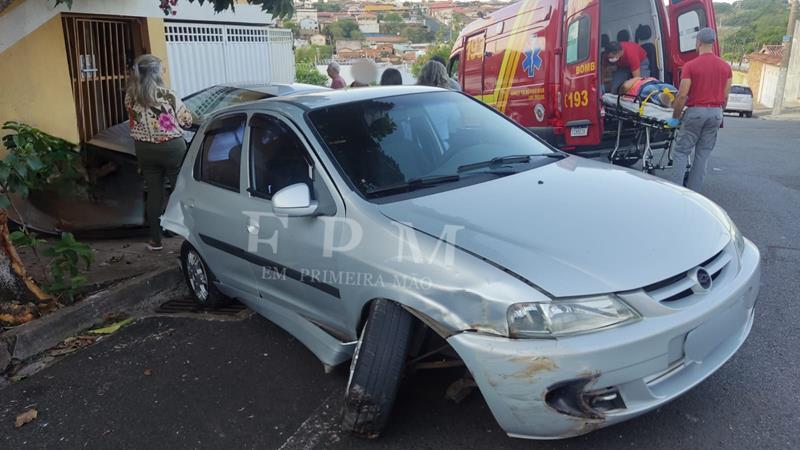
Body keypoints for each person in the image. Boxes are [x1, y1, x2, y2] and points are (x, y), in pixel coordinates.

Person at [125, 54, 192, 251]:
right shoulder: (168, 95)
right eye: (162, 68)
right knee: (181, 189)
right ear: (155, 72)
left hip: (144, 150)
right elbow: (186, 121)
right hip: (171, 148)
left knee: (154, 193)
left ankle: (155, 240)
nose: (164, 71)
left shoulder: (130, 96)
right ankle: (189, 234)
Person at [664, 27, 732, 191]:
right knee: (703, 155)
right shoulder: (726, 67)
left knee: (682, 152)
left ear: (698, 42)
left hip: (696, 112)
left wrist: (675, 117)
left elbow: (682, 95)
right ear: (713, 43)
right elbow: (726, 96)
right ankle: (694, 193)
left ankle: (676, 192)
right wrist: (718, 113)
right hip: (716, 113)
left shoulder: (691, 66)